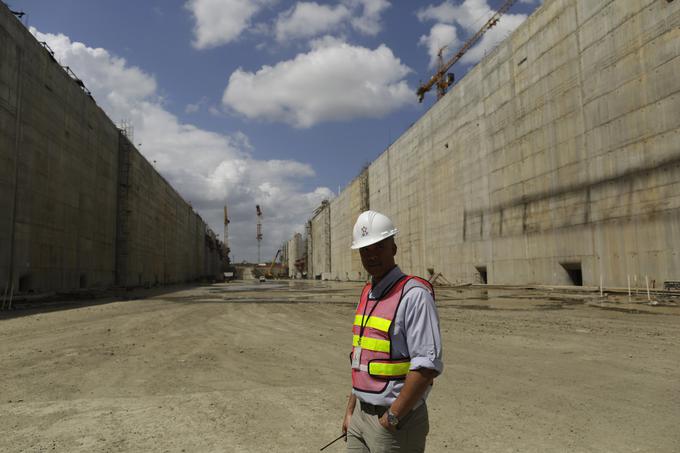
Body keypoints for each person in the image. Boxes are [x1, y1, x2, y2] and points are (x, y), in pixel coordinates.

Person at [342, 210, 443, 453]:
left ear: (394, 248)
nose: (372, 255)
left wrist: (392, 418)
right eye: (365, 249)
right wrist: (350, 411)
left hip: (395, 420)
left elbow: (427, 366)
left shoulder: (414, 295)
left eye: (379, 246)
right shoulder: (368, 294)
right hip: (361, 416)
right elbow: (361, 359)